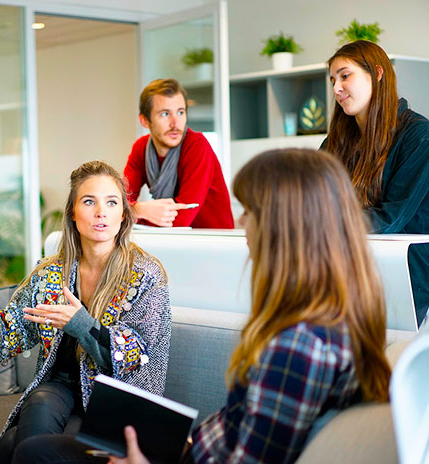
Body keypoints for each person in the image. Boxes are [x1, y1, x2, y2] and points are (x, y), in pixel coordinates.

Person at [20, 149, 392, 464]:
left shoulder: (298, 347)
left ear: (286, 227)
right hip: (189, 448)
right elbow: (239, 430)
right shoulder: (330, 320)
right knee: (28, 446)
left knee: (33, 453)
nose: (242, 223)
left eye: (250, 211)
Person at [0, 160, 171, 463]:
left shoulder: (146, 274)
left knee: (14, 445)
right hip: (60, 389)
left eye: (111, 202)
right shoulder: (51, 272)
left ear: (123, 215)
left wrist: (81, 324)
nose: (101, 211)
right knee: (39, 402)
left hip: (116, 402)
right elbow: (6, 331)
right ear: (73, 214)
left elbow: (134, 355)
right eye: (89, 201)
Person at [323, 40, 429, 326]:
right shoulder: (335, 143)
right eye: (333, 80)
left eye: (345, 76)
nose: (336, 88)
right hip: (349, 273)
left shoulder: (418, 135)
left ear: (377, 74)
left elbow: (391, 217)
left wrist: (320, 222)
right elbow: (314, 200)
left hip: (406, 281)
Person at [123, 78, 233, 228]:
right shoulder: (141, 148)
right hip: (173, 241)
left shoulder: (197, 146)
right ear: (144, 121)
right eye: (165, 114)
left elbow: (181, 219)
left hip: (212, 242)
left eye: (180, 112)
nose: (175, 123)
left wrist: (133, 212)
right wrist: (140, 209)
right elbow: (118, 203)